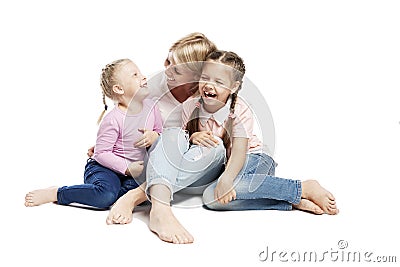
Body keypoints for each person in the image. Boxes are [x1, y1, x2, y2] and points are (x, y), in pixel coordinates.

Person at [182, 50, 339, 215]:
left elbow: (239, 152)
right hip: (229, 168)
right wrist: (193, 137)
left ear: (233, 87)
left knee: (215, 192)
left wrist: (227, 179)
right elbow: (182, 144)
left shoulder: (239, 110)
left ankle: (303, 188)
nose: (208, 85)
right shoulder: (190, 106)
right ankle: (292, 200)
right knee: (212, 200)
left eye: (219, 82)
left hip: (254, 160)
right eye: (205, 78)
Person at [104, 33, 222, 245]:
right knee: (172, 134)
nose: (166, 67)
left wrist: (194, 137)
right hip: (158, 159)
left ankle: (135, 196)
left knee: (217, 147)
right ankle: (160, 208)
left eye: (175, 68)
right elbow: (125, 119)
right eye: (168, 59)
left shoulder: (210, 95)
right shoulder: (152, 88)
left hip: (192, 162)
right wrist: (109, 143)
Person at [24, 58, 162, 209]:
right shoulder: (113, 119)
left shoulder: (152, 107)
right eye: (135, 74)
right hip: (104, 168)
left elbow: (160, 134)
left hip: (134, 173)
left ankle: (111, 196)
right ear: (119, 89)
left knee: (147, 190)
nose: (143, 76)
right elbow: (101, 153)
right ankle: (57, 193)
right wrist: (127, 168)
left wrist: (155, 136)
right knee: (105, 196)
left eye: (140, 73)